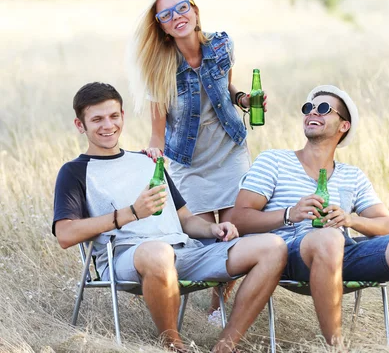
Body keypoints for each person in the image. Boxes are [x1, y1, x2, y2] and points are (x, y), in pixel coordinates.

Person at [53, 82, 286, 353]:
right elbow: (65, 235)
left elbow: (185, 219)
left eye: (114, 116)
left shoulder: (149, 160)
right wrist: (130, 214)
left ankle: (226, 345)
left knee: (272, 247)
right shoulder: (74, 171)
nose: (108, 125)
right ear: (80, 126)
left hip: (185, 252)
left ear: (123, 116)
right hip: (128, 257)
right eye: (97, 119)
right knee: (158, 252)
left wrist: (213, 230)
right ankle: (174, 345)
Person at [230, 85, 389, 345]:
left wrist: (350, 219)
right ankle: (336, 347)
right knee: (329, 239)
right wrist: (291, 214)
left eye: (323, 109)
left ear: (343, 126)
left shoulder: (352, 175)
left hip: (342, 253)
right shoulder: (273, 161)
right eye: (308, 108)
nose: (313, 112)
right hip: (288, 253)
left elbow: (387, 225)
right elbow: (238, 219)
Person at [129, 0, 267, 316]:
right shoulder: (158, 68)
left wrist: (244, 100)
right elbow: (157, 133)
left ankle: (219, 305)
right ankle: (207, 305)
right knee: (207, 241)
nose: (176, 17)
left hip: (229, 151)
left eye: (181, 8)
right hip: (189, 162)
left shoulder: (222, 43)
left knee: (236, 234)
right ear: (161, 26)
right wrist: (151, 159)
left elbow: (225, 87)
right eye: (166, 15)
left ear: (194, 10)